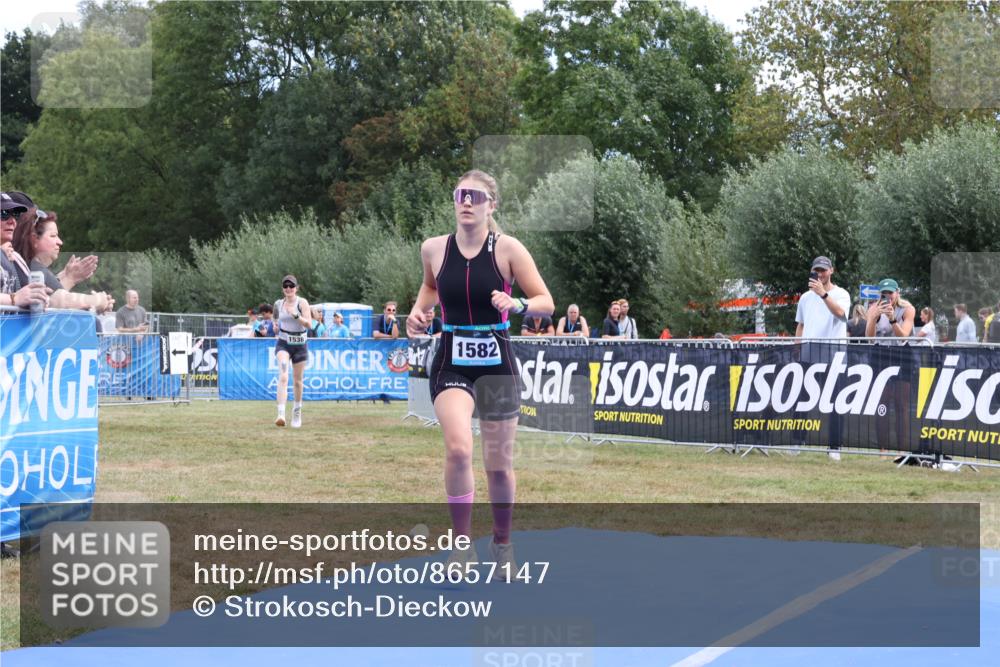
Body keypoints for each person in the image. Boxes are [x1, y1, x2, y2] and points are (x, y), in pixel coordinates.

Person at [405, 169, 553, 580]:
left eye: (475, 196)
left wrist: (517, 303)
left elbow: (546, 301)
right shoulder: (433, 248)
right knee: (457, 448)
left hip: (496, 363)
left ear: (491, 205)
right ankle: (462, 546)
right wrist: (417, 316)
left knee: (499, 465)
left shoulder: (508, 249)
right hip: (452, 359)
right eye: (460, 195)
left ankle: (502, 544)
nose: (466, 201)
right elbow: (430, 290)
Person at [794, 256, 851, 459]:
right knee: (802, 400)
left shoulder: (841, 293)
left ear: (831, 271)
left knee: (835, 401)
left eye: (823, 270)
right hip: (809, 352)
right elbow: (800, 324)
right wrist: (797, 347)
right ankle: (797, 441)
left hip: (834, 353)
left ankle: (834, 446)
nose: (820, 274)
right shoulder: (805, 297)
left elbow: (841, 313)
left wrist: (824, 294)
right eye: (817, 270)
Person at [11, 209, 113, 313]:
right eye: (53, 236)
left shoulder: (26, 268)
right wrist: (99, 300)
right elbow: (59, 300)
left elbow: (53, 297)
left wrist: (70, 278)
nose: (60, 242)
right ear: (34, 238)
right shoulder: (35, 270)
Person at [3, 191, 98, 290]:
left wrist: (65, 277)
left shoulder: (21, 262)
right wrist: (70, 279)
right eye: (4, 215)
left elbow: (44, 297)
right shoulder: (25, 264)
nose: (60, 242)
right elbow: (51, 300)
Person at [273, 275, 312, 428]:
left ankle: (296, 412)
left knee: (297, 381)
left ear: (297, 288)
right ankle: (281, 414)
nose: (288, 289)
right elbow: (275, 319)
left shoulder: (302, 303)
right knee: (283, 375)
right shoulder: (278, 303)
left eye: (291, 286)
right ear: (282, 288)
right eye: (285, 286)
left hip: (300, 345)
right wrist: (275, 326)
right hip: (283, 343)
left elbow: (309, 324)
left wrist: (296, 315)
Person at [0, 195, 50, 309]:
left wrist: (37, 297)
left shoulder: (12, 256)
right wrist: (14, 299)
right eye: (3, 214)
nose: (12, 221)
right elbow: (16, 298)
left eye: (15, 215)